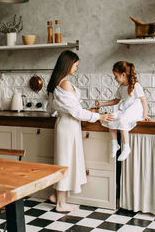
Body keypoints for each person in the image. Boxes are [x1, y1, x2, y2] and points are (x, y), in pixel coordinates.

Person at [47, 50, 114, 212]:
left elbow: (50, 109)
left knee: (63, 161)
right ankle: (61, 204)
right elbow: (76, 112)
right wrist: (99, 116)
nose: (77, 68)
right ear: (68, 64)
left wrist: (61, 111)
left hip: (63, 124)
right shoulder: (65, 84)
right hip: (68, 126)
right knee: (65, 162)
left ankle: (56, 196)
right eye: (76, 65)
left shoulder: (55, 82)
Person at [95, 61, 150, 161]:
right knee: (110, 118)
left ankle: (126, 147)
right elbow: (116, 101)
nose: (114, 78)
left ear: (123, 74)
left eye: (116, 76)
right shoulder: (121, 88)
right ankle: (114, 144)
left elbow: (143, 101)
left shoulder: (136, 86)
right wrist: (102, 104)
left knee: (123, 119)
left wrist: (145, 115)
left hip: (135, 110)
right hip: (125, 109)